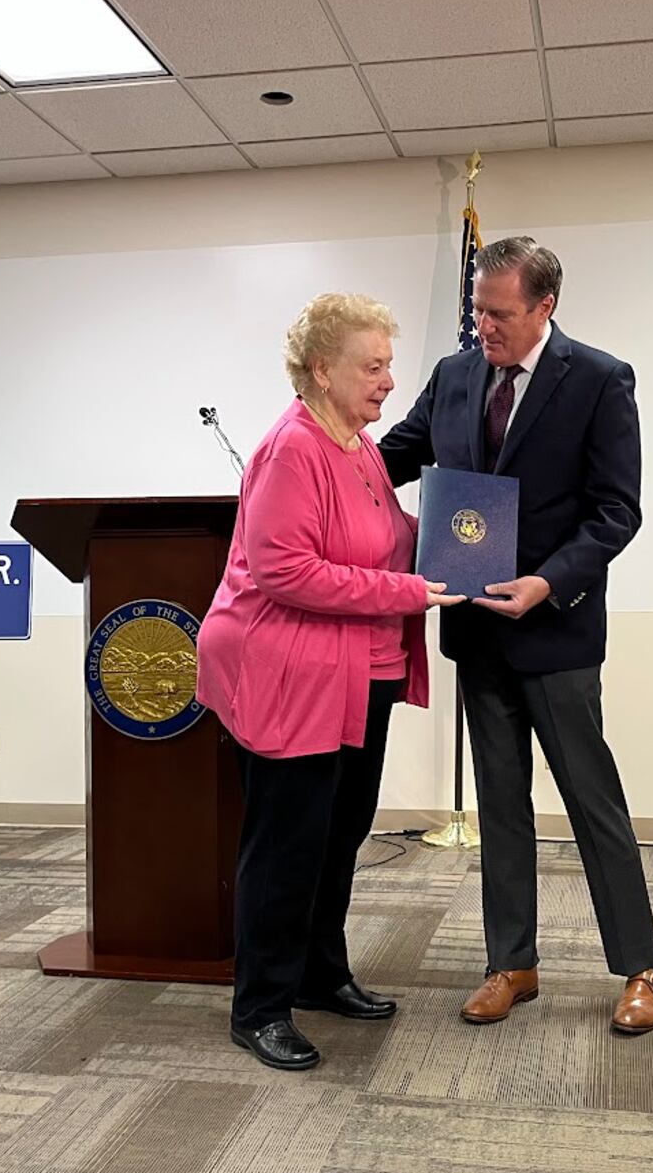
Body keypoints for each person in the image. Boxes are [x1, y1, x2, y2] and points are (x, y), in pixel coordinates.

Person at [379, 236, 653, 1034]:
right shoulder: (455, 375)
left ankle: (642, 966)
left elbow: (618, 510)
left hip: (558, 633)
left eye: (499, 313)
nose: (485, 326)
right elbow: (394, 458)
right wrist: (321, 451)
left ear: (545, 307)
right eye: (478, 309)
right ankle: (512, 961)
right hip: (478, 634)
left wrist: (549, 580)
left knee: (590, 801)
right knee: (500, 806)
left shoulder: (601, 380)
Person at [196, 292, 463, 1072]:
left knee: (338, 834)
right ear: (322, 369)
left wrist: (463, 542)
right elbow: (285, 571)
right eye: (372, 365)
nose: (387, 381)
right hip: (289, 671)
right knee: (286, 845)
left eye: (388, 364)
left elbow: (392, 536)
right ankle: (261, 1005)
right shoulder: (294, 447)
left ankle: (318, 973)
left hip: (360, 670)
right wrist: (410, 592)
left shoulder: (360, 447)